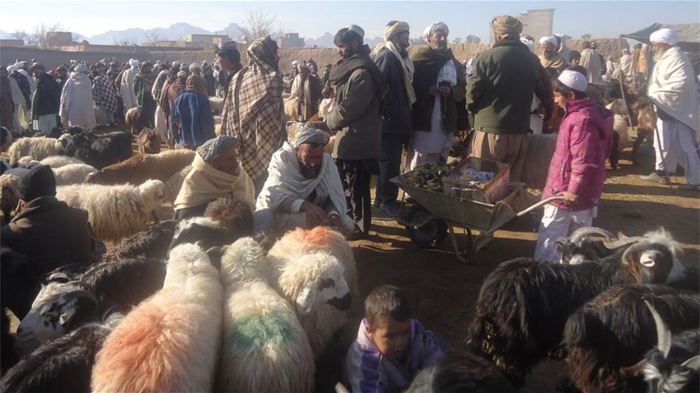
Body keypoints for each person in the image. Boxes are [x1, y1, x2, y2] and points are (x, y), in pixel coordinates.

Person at [533, 70, 614, 263]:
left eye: (557, 95)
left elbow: (583, 159)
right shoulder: (585, 114)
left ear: (571, 96)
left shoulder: (581, 121)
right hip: (579, 186)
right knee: (579, 234)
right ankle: (575, 270)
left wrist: (573, 190)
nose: (554, 99)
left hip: (567, 189)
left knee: (552, 231)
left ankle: (546, 270)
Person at [1, 165, 96, 318]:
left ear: (23, 199)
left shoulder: (11, 233)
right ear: (53, 192)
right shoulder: (79, 217)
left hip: (38, 312)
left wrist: (16, 219)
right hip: (79, 299)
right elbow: (94, 250)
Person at [467, 15, 552, 182]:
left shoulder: (487, 56)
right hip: (519, 132)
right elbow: (546, 91)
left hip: (490, 131)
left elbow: (472, 93)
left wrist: (473, 111)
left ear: (498, 34)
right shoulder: (532, 59)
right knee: (511, 181)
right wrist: (546, 112)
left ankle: (486, 209)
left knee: (484, 180)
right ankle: (506, 208)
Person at [325, 25, 383, 237]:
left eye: (341, 46)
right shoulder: (353, 68)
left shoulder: (362, 73)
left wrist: (327, 123)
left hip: (359, 139)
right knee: (349, 184)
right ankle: (353, 221)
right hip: (350, 136)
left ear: (354, 45)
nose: (339, 51)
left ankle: (359, 227)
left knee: (357, 186)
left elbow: (350, 108)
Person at [344, 285, 446, 393]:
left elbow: (445, 370)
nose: (400, 343)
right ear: (370, 331)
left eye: (405, 332)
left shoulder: (420, 337)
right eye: (390, 336)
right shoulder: (363, 363)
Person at [255, 126, 355, 234]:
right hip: (280, 212)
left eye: (318, 157)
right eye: (308, 157)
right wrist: (305, 206)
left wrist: (333, 214)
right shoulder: (283, 160)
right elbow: (274, 196)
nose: (314, 163)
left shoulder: (326, 164)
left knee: (346, 223)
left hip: (314, 212)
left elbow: (330, 196)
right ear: (297, 150)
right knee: (300, 220)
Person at [221, 36, 286, 195]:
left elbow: (228, 112)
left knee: (245, 193)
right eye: (276, 52)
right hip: (266, 148)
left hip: (241, 147)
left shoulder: (238, 77)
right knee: (267, 194)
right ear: (267, 54)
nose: (278, 56)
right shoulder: (273, 78)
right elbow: (273, 121)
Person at [640, 28, 700, 190]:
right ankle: (664, 172)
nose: (652, 48)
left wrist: (653, 94)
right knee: (668, 144)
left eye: (655, 45)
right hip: (666, 108)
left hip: (680, 111)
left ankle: (695, 180)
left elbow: (680, 86)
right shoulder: (665, 58)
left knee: (686, 146)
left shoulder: (677, 59)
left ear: (664, 44)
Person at [410, 22, 468, 172]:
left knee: (442, 154)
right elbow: (410, 86)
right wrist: (429, 90)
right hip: (424, 117)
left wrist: (451, 91)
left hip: (447, 117)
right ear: (429, 39)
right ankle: (414, 189)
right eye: (438, 36)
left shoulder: (454, 63)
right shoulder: (419, 60)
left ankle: (435, 185)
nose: (442, 39)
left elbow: (462, 88)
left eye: (445, 35)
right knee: (421, 155)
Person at [371, 21, 415, 217]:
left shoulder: (399, 59)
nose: (406, 42)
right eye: (403, 38)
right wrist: (384, 114)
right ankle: (387, 203)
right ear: (392, 38)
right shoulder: (386, 58)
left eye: (407, 38)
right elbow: (377, 91)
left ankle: (381, 201)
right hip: (388, 122)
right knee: (389, 164)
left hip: (396, 121)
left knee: (388, 163)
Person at [173, 135, 255, 220]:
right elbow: (185, 224)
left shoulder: (239, 176)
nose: (235, 162)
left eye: (235, 156)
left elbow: (248, 209)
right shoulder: (195, 184)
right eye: (229, 159)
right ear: (214, 163)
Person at [170, 74, 216, 149]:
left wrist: (177, 139)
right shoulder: (202, 100)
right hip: (201, 145)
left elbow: (173, 122)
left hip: (184, 143)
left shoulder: (179, 100)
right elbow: (207, 125)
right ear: (200, 85)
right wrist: (212, 142)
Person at [60, 63, 97, 130]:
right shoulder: (87, 81)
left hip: (73, 108)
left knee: (74, 128)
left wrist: (65, 109)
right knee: (86, 126)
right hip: (86, 109)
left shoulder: (70, 81)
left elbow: (66, 96)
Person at [30, 63, 61, 133]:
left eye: (37, 70)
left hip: (44, 112)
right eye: (34, 71)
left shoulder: (44, 80)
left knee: (43, 133)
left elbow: (55, 95)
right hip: (47, 112)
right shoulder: (44, 80)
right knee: (50, 132)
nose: (35, 72)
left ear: (42, 70)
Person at [161, 69, 187, 144]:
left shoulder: (170, 86)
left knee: (173, 131)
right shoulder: (184, 89)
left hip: (172, 113)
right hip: (181, 114)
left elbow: (164, 99)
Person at [133, 61, 157, 131]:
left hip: (152, 97)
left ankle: (153, 129)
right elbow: (135, 88)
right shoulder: (139, 77)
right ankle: (143, 129)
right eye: (146, 67)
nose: (148, 68)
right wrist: (139, 95)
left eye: (149, 67)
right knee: (143, 113)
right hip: (143, 98)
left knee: (152, 113)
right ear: (143, 68)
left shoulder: (154, 76)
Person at [7, 65, 31, 130]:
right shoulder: (24, 77)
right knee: (23, 116)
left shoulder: (11, 78)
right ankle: (25, 129)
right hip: (23, 99)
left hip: (15, 101)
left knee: (16, 117)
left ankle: (19, 130)